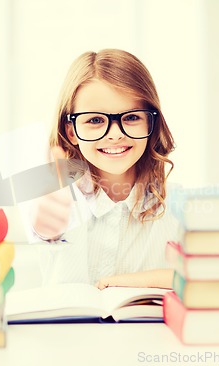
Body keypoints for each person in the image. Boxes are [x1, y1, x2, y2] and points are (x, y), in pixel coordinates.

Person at [29, 49, 183, 289]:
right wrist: (47, 226)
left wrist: (120, 283)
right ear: (71, 131)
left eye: (131, 117)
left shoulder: (177, 206)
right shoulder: (57, 198)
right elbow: (45, 228)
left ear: (151, 123)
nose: (115, 134)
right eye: (95, 120)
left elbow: (200, 281)